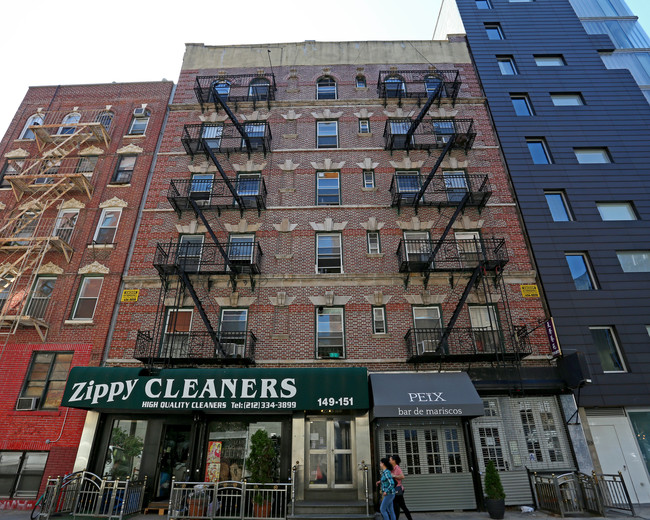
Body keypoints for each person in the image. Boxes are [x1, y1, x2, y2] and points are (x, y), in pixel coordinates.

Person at [390, 454, 413, 520]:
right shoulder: (392, 467)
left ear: (394, 461)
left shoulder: (397, 467)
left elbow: (402, 476)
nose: (389, 460)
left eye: (390, 459)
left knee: (400, 506)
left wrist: (394, 476)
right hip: (395, 489)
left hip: (398, 489)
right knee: (397, 506)